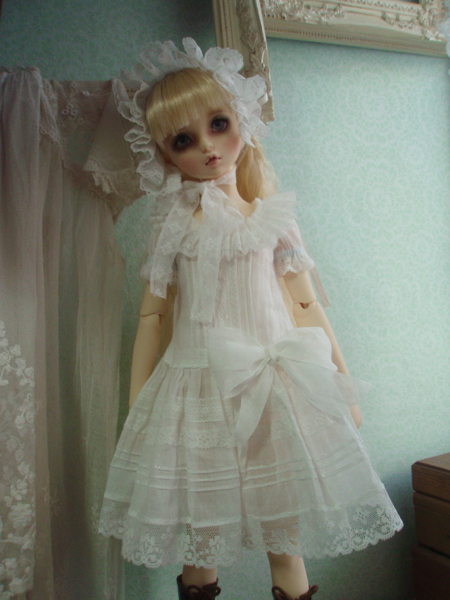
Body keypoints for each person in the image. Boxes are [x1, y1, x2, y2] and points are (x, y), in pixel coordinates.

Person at [99, 39, 403, 600]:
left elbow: (306, 305)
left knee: (284, 538)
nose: (207, 147)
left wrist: (342, 384)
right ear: (164, 155)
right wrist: (140, 405)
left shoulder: (272, 214)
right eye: (184, 140)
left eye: (218, 124)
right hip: (196, 389)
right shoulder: (173, 223)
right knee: (202, 542)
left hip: (275, 388)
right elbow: (153, 314)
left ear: (241, 119)